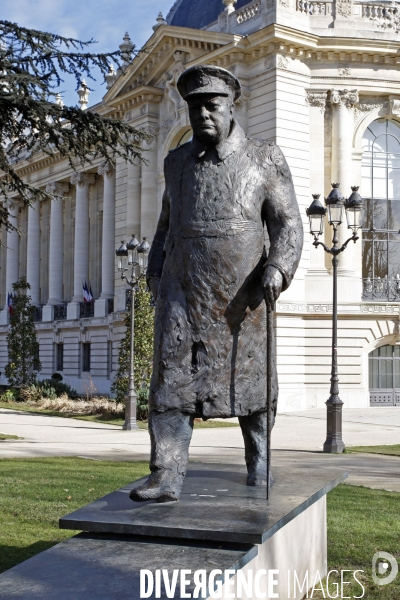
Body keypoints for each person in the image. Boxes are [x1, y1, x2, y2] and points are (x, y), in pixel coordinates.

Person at [130, 65, 303, 503]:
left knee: (252, 384)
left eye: (212, 104)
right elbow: (166, 225)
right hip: (182, 292)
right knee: (169, 381)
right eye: (194, 106)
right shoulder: (176, 163)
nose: (203, 113)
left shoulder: (265, 157)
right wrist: (154, 272)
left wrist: (278, 268)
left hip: (242, 295)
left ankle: (259, 461)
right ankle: (165, 474)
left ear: (230, 107)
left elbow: (287, 224)